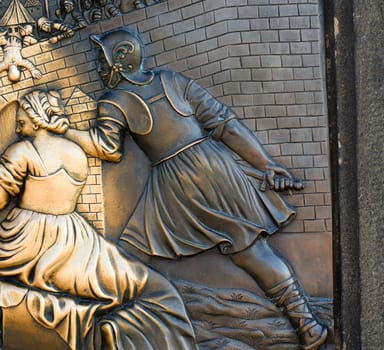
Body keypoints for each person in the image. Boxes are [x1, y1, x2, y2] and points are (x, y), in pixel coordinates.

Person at [60, 29, 328, 350]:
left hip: (178, 181)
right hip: (218, 168)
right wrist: (264, 164)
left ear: (120, 60)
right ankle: (308, 325)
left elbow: (107, 148)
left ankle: (138, 325)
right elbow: (225, 123)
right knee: (253, 253)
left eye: (101, 59)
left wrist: (64, 130)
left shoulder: (115, 101)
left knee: (131, 252)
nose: (98, 68)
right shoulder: (173, 80)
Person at [0, 90, 198, 350]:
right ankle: (121, 328)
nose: (18, 123)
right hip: (77, 238)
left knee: (121, 284)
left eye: (22, 116)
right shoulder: (76, 152)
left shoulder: (23, 151)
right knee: (147, 286)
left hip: (29, 245)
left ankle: (107, 329)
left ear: (36, 117)